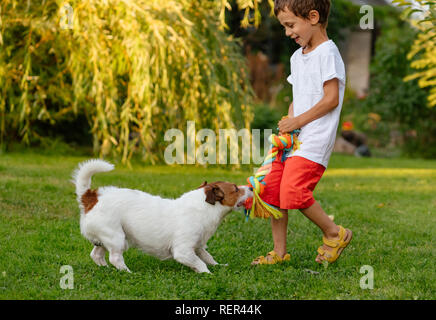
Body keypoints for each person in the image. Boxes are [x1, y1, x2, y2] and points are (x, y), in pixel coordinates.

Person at [251, 0, 352, 265]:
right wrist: (290, 119)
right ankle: (279, 252)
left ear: (313, 17)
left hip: (315, 140)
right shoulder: (298, 57)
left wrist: (298, 122)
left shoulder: (328, 53)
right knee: (274, 191)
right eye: (284, 27)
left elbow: (331, 99)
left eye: (291, 25)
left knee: (294, 192)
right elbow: (298, 98)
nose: (287, 33)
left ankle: (334, 233)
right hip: (295, 139)